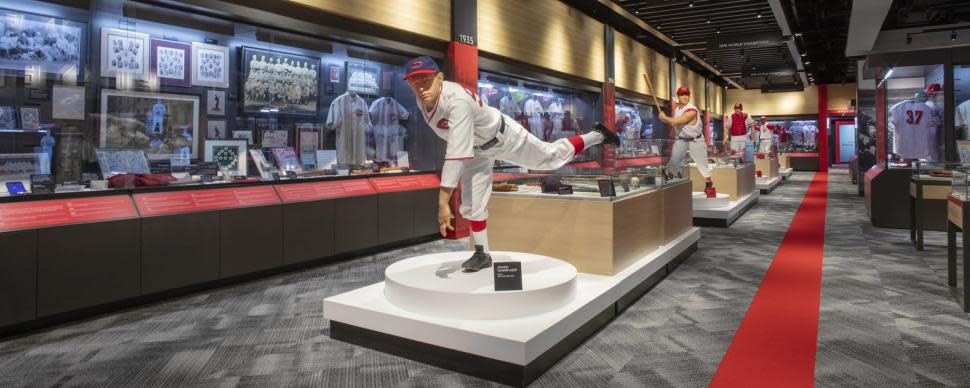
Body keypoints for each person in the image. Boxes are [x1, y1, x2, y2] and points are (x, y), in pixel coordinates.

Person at [404, 56, 620, 272]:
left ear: (440, 78)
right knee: (471, 204)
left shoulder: (456, 101)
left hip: (503, 137)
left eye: (425, 80)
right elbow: (459, 147)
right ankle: (482, 253)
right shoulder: (423, 100)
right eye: (414, 82)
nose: (420, 87)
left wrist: (443, 203)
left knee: (550, 157)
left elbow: (455, 153)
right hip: (476, 149)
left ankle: (597, 135)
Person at [661, 86, 714, 194]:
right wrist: (665, 119)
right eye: (682, 94)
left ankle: (709, 183)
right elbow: (674, 123)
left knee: (702, 164)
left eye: (687, 94)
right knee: (674, 161)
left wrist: (664, 118)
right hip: (681, 139)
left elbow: (676, 121)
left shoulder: (692, 109)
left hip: (696, 140)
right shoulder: (677, 109)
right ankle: (671, 177)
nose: (685, 96)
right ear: (678, 96)